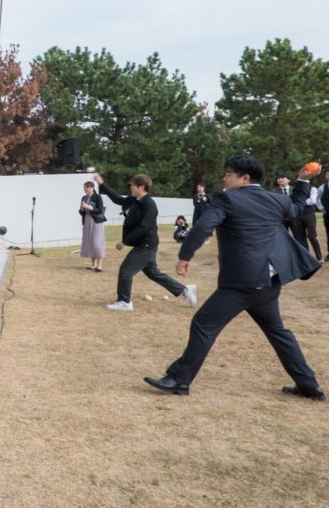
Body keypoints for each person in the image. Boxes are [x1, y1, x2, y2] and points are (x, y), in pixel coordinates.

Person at [144, 156, 325, 400]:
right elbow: (295, 208)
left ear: (245, 178)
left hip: (242, 283)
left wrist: (185, 255)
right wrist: (302, 181)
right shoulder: (276, 200)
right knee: (278, 332)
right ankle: (308, 385)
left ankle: (179, 379)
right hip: (268, 283)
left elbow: (204, 225)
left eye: (229, 173)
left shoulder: (226, 198)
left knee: (203, 324)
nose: (224, 178)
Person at [94, 172, 197, 311]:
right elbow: (117, 198)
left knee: (125, 271)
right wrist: (101, 183)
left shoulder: (149, 205)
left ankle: (124, 302)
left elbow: (143, 227)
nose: (130, 187)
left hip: (146, 244)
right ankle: (185, 290)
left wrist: (124, 242)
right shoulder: (134, 200)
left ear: (141, 187)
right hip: (144, 244)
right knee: (153, 273)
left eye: (132, 185)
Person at [291, 179, 322, 260]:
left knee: (312, 236)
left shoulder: (313, 189)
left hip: (309, 214)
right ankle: (306, 258)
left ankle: (319, 257)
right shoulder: (295, 190)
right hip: (297, 215)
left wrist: (299, 201)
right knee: (301, 237)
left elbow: (312, 200)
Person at [78, 181, 106, 272]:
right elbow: (82, 212)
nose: (85, 189)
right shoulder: (84, 197)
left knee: (97, 243)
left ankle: (100, 266)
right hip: (87, 221)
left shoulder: (98, 197)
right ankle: (94, 265)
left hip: (96, 221)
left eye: (87, 187)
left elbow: (100, 210)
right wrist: (82, 209)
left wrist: (89, 207)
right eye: (84, 188)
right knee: (90, 242)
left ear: (92, 187)